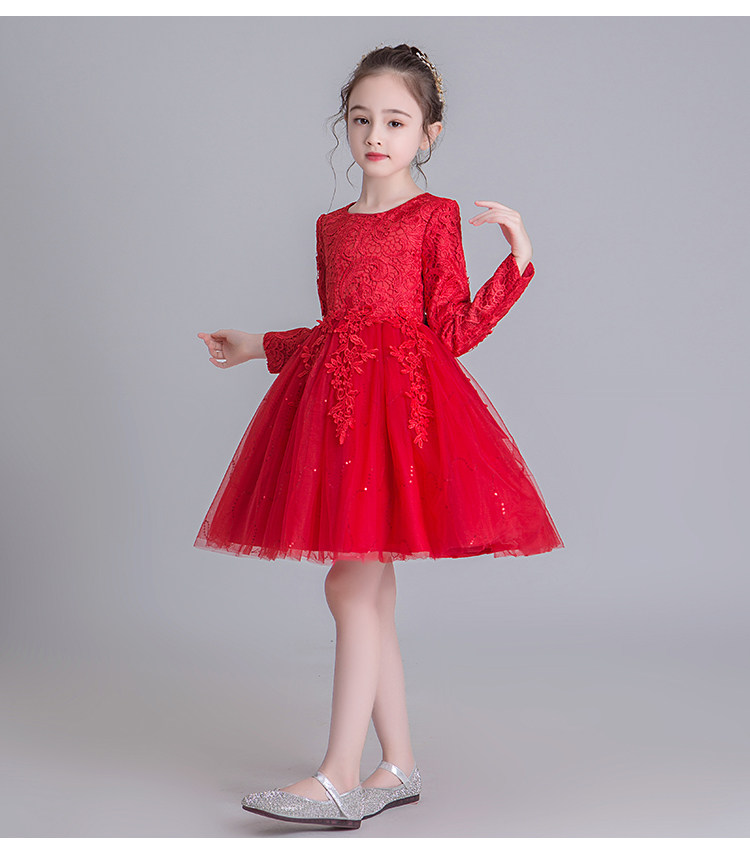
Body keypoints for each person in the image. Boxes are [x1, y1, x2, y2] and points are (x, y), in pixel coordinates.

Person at [194, 43, 564, 830]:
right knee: (364, 585)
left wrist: (517, 262)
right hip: (339, 415)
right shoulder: (331, 227)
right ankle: (395, 764)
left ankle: (339, 774)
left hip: (401, 416)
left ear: (429, 133)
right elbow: (340, 329)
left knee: (352, 584)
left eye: (396, 121)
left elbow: (451, 330)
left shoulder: (433, 217)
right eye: (361, 119)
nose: (376, 135)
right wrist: (257, 344)